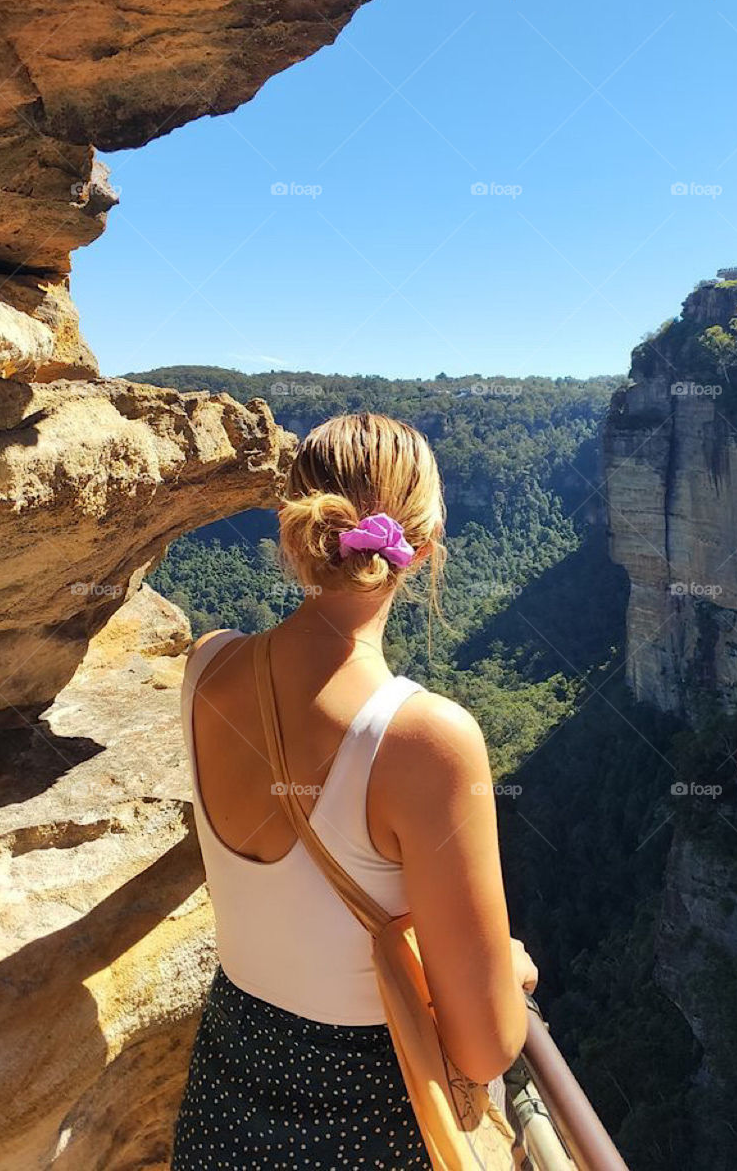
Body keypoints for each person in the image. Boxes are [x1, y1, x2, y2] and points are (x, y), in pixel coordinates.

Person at [172, 411, 538, 1169]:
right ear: (424, 547)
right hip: (365, 1123)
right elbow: (485, 1048)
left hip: (222, 1099)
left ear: (293, 530)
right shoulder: (427, 741)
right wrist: (509, 973)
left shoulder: (206, 666)